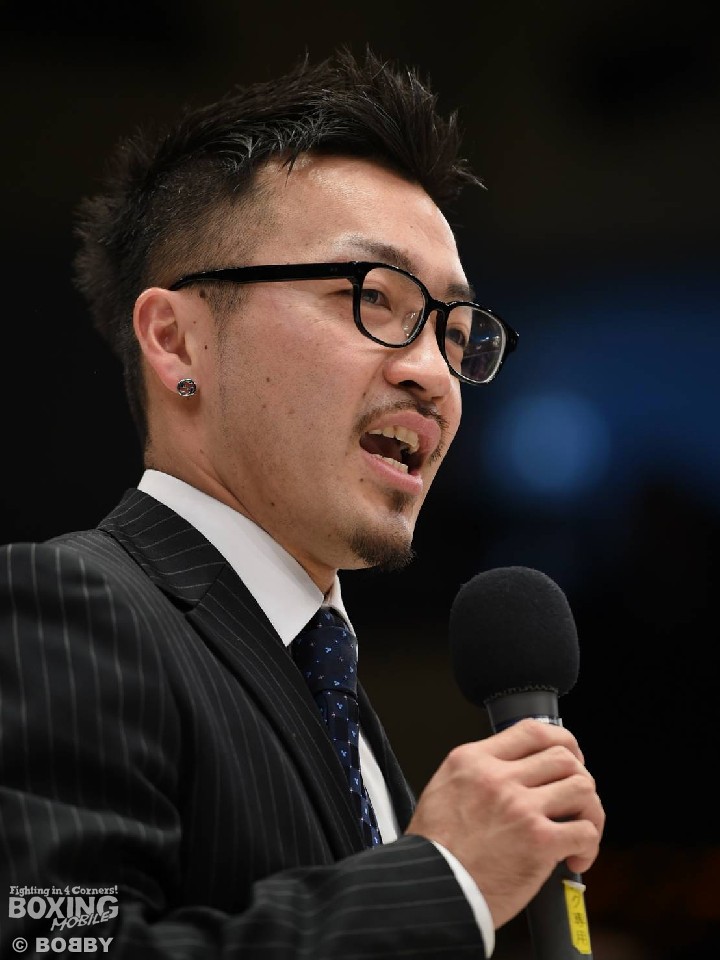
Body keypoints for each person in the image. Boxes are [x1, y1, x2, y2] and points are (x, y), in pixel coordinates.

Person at [0, 47, 604, 958]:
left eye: (455, 331)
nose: (434, 373)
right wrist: (443, 881)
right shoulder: (63, 609)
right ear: (177, 341)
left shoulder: (326, 678)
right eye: (372, 296)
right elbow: (52, 945)